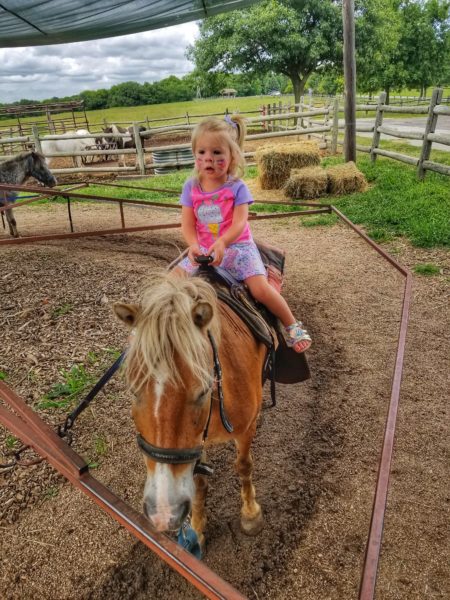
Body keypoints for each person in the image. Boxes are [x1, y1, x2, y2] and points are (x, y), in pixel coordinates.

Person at [174, 114, 311, 353]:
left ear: (232, 157)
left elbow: (239, 223)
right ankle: (149, 324)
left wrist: (223, 242)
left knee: (259, 289)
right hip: (204, 250)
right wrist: (193, 245)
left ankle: (291, 325)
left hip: (237, 248)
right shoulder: (191, 187)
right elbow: (186, 224)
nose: (209, 159)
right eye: (202, 152)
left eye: (217, 153)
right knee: (172, 280)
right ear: (195, 155)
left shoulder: (236, 187)